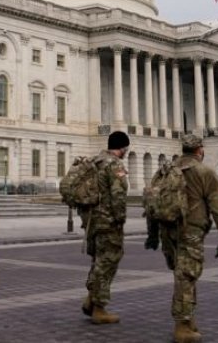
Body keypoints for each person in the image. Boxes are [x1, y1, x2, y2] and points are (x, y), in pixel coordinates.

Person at [145, 133, 218, 343]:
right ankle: (182, 326)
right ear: (200, 150)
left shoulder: (165, 171)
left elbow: (150, 204)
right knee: (186, 277)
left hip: (167, 230)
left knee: (182, 275)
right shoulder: (205, 172)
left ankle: (189, 320)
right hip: (190, 232)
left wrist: (153, 235)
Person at [81, 130, 129, 325]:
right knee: (107, 262)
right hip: (108, 222)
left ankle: (91, 299)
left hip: (92, 221)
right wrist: (120, 219)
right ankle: (99, 308)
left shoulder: (95, 162)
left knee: (98, 261)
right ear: (123, 148)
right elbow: (118, 195)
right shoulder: (115, 164)